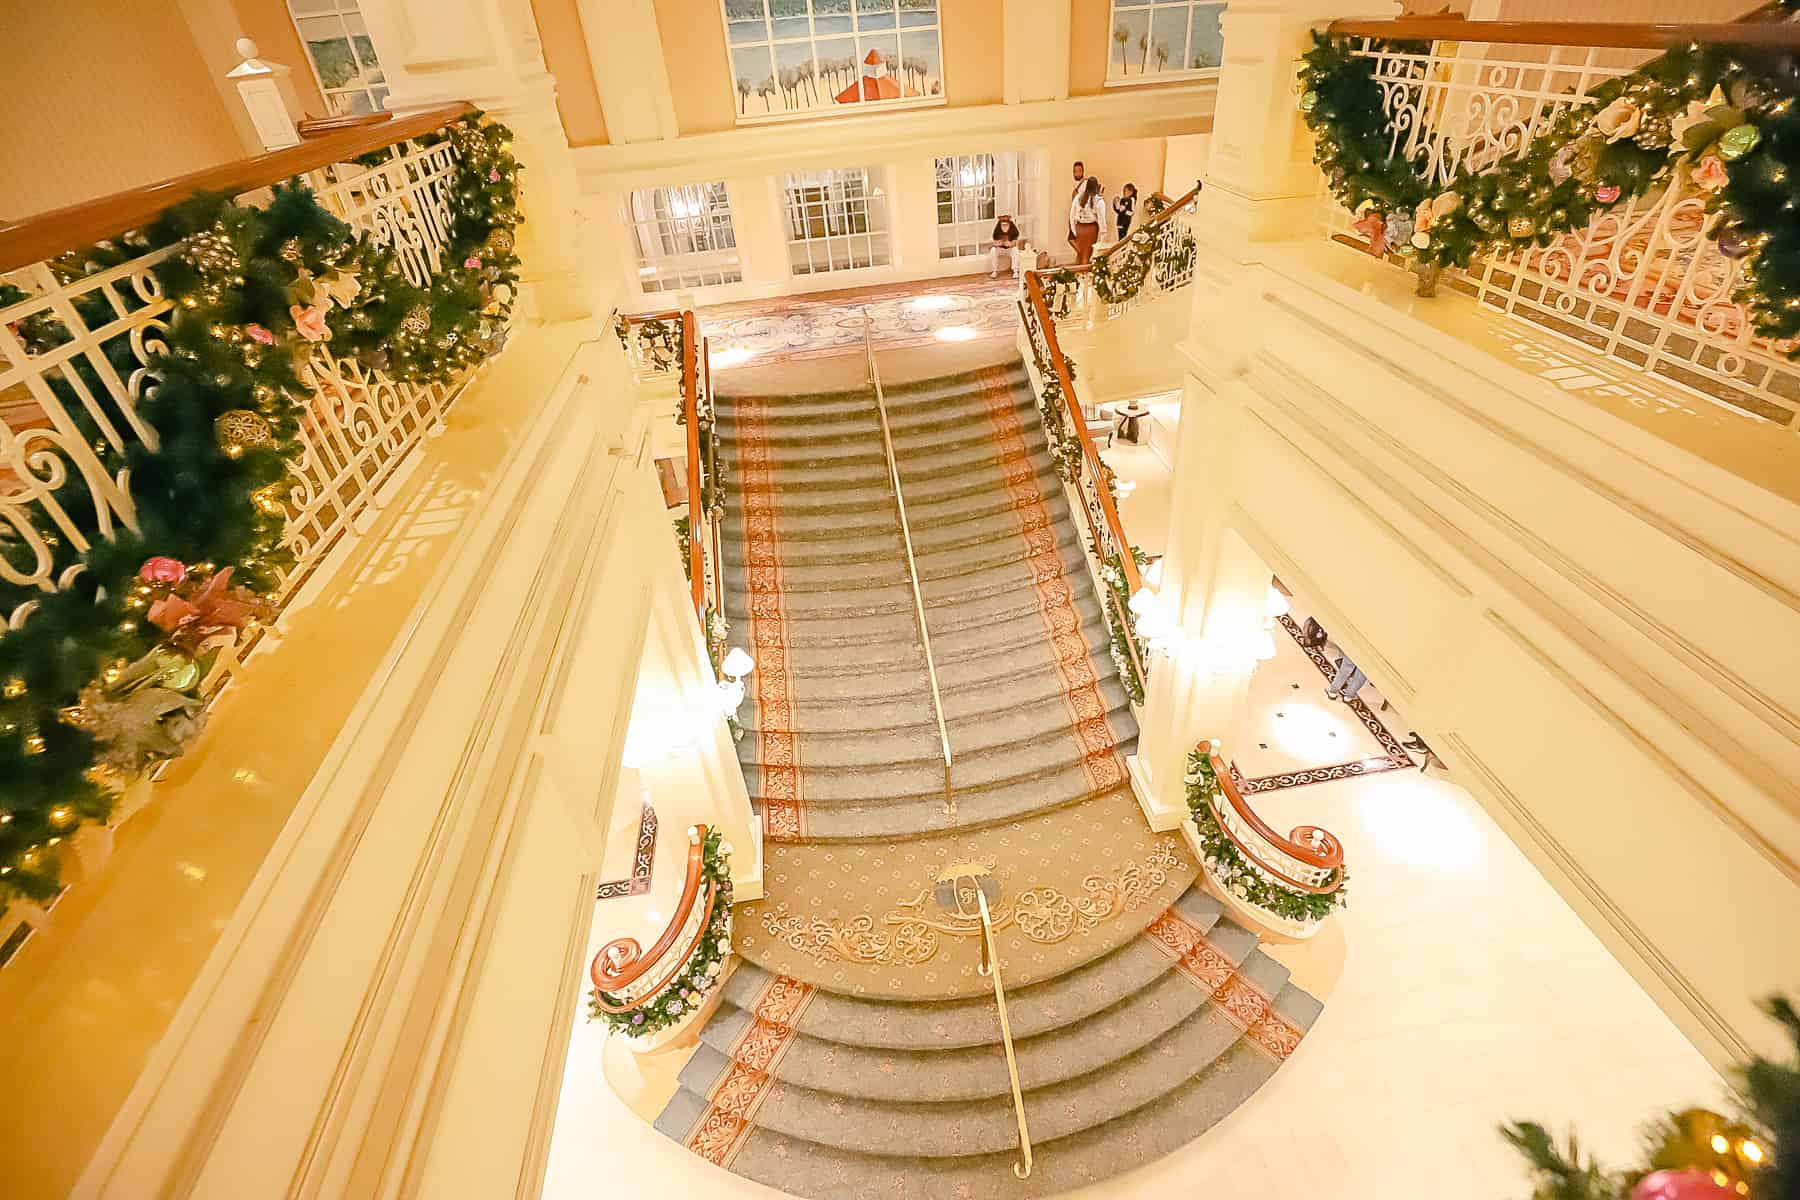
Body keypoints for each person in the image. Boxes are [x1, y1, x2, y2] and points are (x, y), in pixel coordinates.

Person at [1069, 176, 1105, 265]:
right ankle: (1083, 275)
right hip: (1091, 229)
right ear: (1096, 186)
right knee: (1086, 255)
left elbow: (1072, 215)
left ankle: (1076, 275)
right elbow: (1102, 220)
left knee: (1080, 253)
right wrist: (1102, 236)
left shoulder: (1079, 198)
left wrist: (1074, 231)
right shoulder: (1099, 200)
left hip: (1079, 228)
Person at [989, 214, 1023, 278]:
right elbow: (994, 242)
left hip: (1010, 249)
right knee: (993, 251)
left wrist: (1010, 244)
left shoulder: (1013, 231)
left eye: (1006, 225)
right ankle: (994, 271)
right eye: (1003, 225)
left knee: (1015, 250)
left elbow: (1014, 242)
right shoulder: (997, 230)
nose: (1004, 227)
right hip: (1000, 249)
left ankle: (1015, 271)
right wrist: (998, 244)